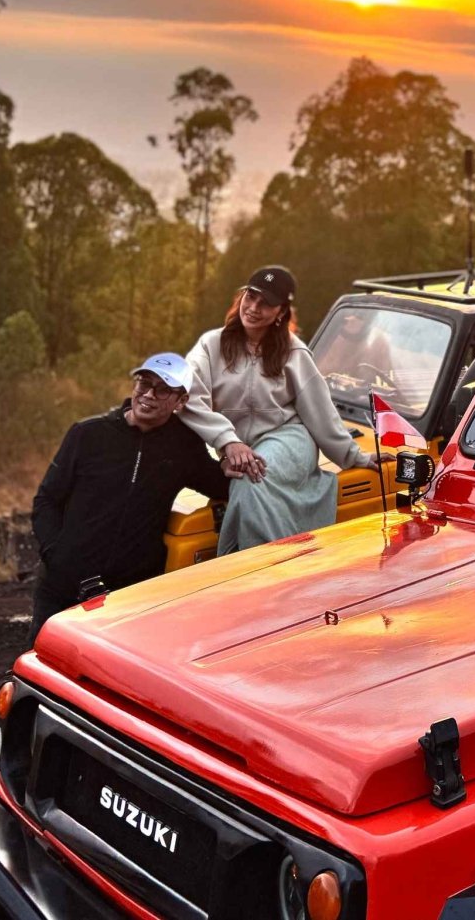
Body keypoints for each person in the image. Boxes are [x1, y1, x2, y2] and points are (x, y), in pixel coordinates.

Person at [29, 353, 234, 644]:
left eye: (162, 389)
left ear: (180, 401)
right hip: (63, 586)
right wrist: (59, 558)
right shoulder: (87, 434)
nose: (148, 394)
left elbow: (221, 485)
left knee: (104, 681)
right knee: (39, 670)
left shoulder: (183, 446)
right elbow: (46, 501)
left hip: (129, 594)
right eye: (143, 383)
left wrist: (232, 450)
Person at [181, 266, 383, 554]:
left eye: (266, 303)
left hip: (289, 439)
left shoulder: (294, 352)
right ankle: (263, 560)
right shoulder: (212, 345)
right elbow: (187, 395)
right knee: (247, 476)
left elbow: (320, 412)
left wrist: (354, 456)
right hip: (241, 445)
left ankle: (262, 564)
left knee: (254, 477)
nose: (253, 307)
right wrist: (227, 441)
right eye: (250, 297)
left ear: (280, 312)